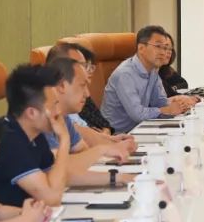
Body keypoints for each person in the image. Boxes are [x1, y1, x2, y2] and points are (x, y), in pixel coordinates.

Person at [0, 64, 72, 207]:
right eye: (54, 105)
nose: (59, 112)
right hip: (1, 219)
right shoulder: (8, 141)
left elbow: (53, 179)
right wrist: (64, 140)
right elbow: (52, 198)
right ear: (31, 113)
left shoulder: (34, 135)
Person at [45, 57, 137, 185]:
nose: (87, 94)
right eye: (82, 85)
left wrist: (118, 177)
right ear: (61, 86)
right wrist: (102, 150)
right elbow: (57, 169)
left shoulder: (63, 117)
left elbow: (83, 152)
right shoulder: (42, 119)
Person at [102, 25, 199, 133]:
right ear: (141, 48)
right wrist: (167, 110)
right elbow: (138, 114)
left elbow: (160, 102)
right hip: (118, 135)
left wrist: (181, 104)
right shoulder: (125, 74)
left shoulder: (153, 71)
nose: (163, 52)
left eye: (165, 48)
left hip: (141, 129)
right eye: (158, 46)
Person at [45, 42, 113, 134]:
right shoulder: (44, 116)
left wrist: (104, 137)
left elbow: (104, 125)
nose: (87, 94)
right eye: (81, 65)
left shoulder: (65, 115)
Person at [155, 29, 189, 97]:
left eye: (170, 49)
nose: (169, 52)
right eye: (165, 48)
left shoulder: (166, 69)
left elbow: (183, 83)